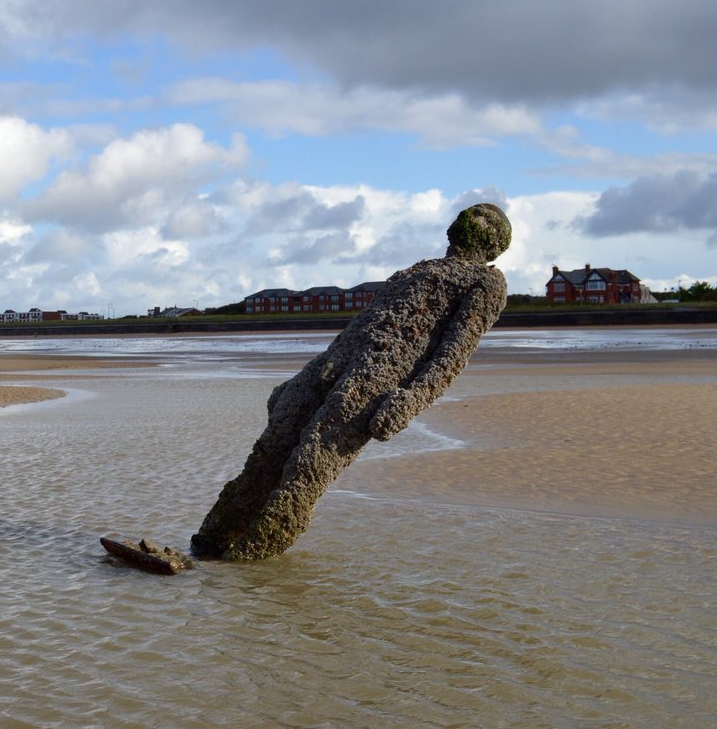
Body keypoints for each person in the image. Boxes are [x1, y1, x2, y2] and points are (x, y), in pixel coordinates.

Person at [192, 203, 511, 560]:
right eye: (473, 211)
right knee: (267, 453)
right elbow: (359, 326)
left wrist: (410, 400)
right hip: (329, 366)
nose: (474, 216)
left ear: (496, 241)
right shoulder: (418, 268)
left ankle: (250, 560)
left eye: (487, 218)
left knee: (310, 464)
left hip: (375, 379)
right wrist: (301, 378)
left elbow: (452, 356)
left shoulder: (487, 282)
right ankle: (207, 548)